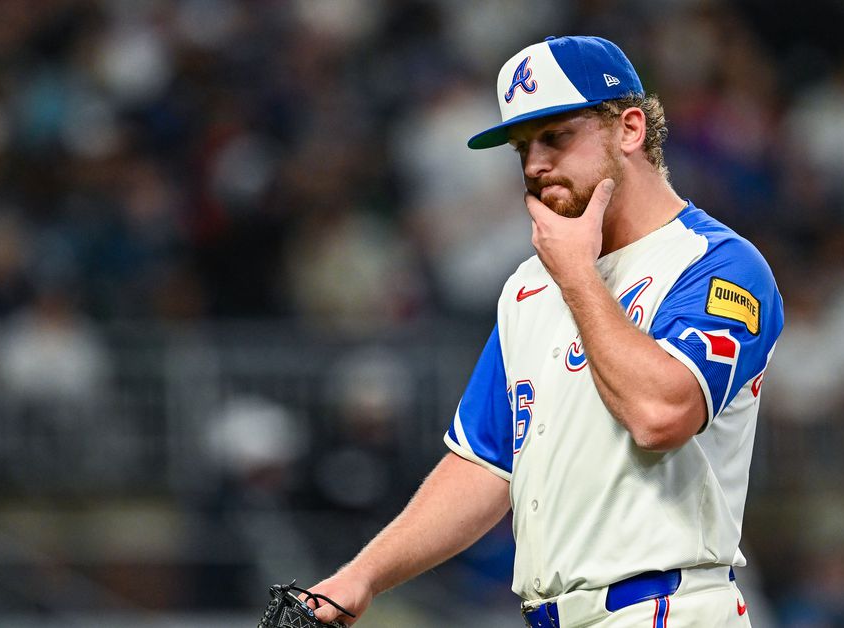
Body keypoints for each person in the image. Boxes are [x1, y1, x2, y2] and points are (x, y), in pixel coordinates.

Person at [308, 35, 784, 627]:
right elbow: (485, 463)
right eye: (522, 147)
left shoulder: (716, 264)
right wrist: (362, 576)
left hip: (669, 606)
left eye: (557, 136)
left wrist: (579, 278)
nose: (535, 165)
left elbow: (661, 415)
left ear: (630, 129)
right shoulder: (530, 287)